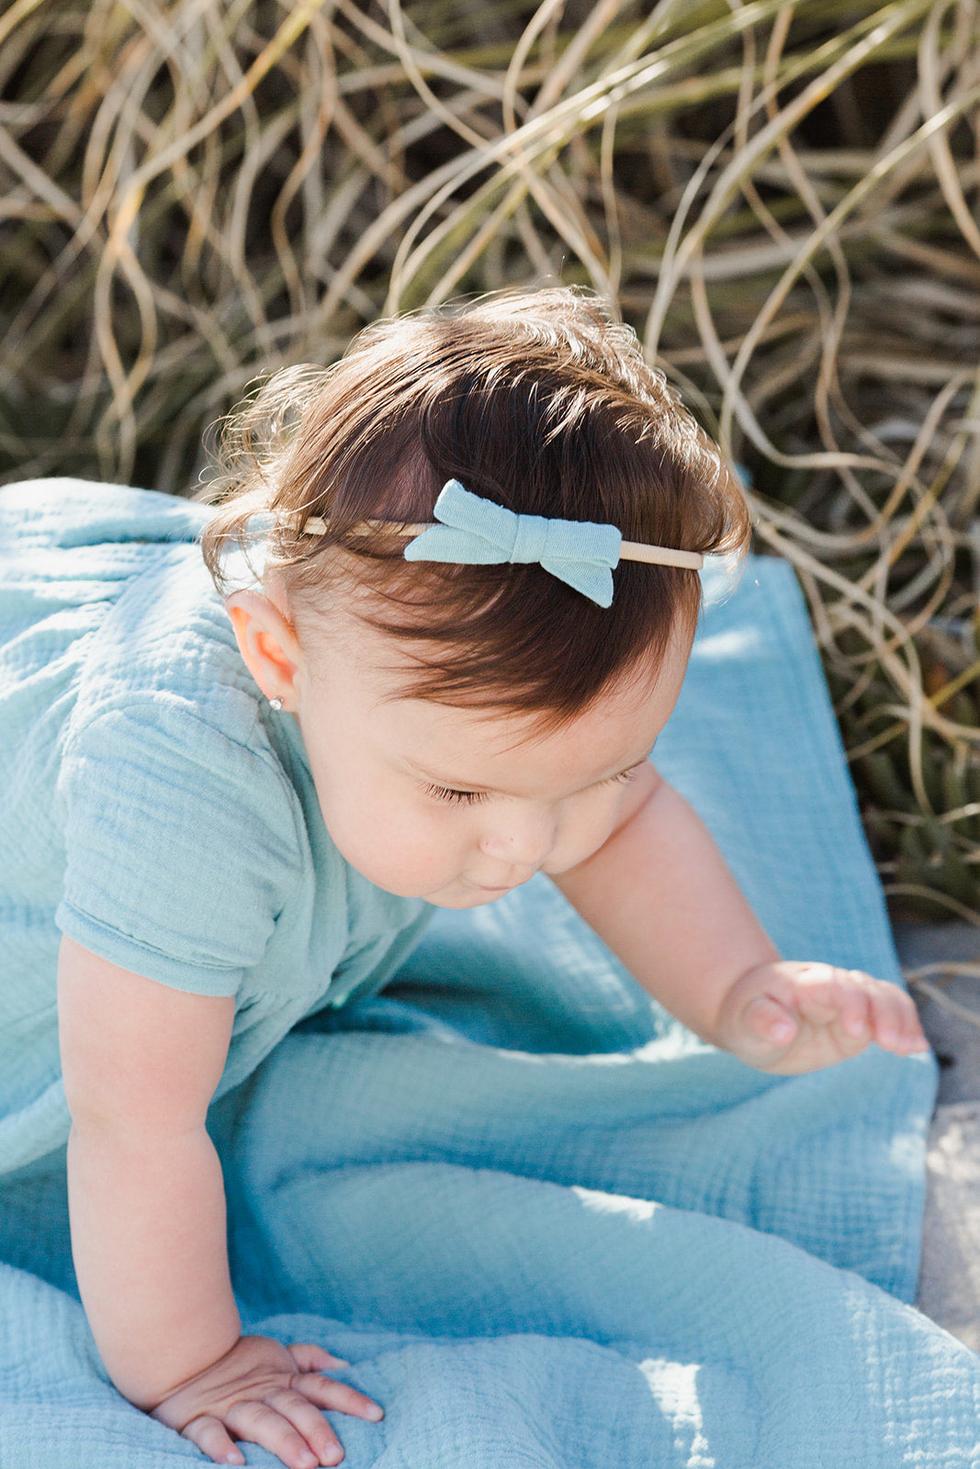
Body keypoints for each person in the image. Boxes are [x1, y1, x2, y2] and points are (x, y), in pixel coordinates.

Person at [0, 284, 928, 1469]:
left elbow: (630, 823)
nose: (524, 847)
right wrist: (190, 1362)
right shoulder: (182, 793)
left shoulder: (422, 705)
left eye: (593, 771)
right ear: (278, 654)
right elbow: (133, 1118)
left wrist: (737, 985)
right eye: (458, 792)